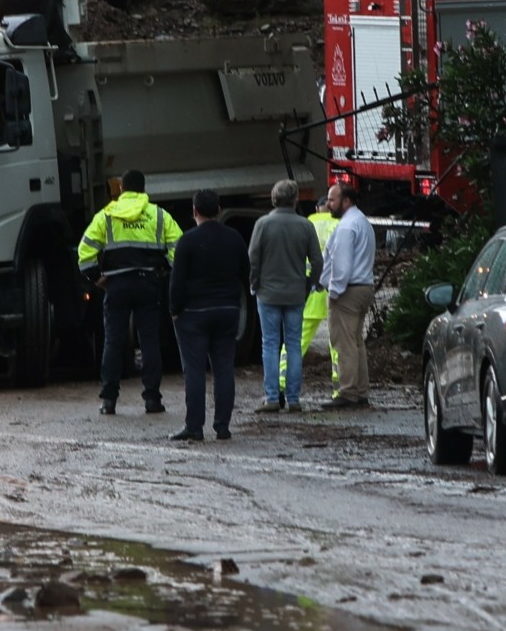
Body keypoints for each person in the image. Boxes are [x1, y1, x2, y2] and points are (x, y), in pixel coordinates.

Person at [78, 170, 183, 417]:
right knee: (149, 342)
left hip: (116, 285)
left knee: (113, 342)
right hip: (148, 284)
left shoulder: (106, 215)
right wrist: (165, 270)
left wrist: (97, 278)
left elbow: (85, 251)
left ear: (122, 190)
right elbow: (179, 249)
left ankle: (109, 401)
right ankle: (152, 400)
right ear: (144, 190)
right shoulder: (159, 215)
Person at [167, 189, 250, 442]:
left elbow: (177, 281)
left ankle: (194, 426)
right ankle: (222, 426)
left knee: (194, 370)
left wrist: (175, 311)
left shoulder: (187, 241)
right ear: (219, 209)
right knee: (224, 368)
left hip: (194, 313)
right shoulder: (234, 237)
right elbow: (244, 271)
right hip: (227, 310)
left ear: (194, 211)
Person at [246, 179, 323, 413]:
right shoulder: (305, 225)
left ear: (273, 199)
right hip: (295, 293)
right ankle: (294, 398)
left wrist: (254, 283)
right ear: (296, 199)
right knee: (293, 345)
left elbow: (253, 257)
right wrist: (310, 283)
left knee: (270, 344)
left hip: (268, 292)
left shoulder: (263, 224)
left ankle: (271, 397)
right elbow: (317, 260)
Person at [321, 181, 377, 409]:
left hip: (348, 291)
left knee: (344, 343)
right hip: (364, 287)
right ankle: (360, 391)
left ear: (346, 201)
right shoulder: (362, 221)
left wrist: (334, 291)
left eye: (332, 199)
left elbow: (341, 264)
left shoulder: (346, 227)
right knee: (355, 342)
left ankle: (348, 392)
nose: (328, 204)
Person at [288, 196, 340, 385]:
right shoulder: (339, 225)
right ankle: (339, 383)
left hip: (310, 287)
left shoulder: (307, 223)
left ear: (317, 208)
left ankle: (282, 380)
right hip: (334, 288)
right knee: (337, 340)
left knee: (298, 338)